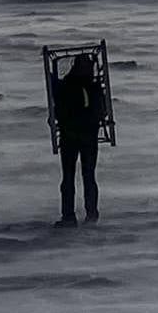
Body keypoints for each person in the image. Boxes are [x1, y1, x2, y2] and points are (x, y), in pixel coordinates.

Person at [53, 54, 103, 226]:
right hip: (84, 137)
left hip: (72, 137)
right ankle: (87, 215)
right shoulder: (93, 87)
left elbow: (59, 110)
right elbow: (100, 112)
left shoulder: (67, 86)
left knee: (73, 177)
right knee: (83, 176)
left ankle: (72, 216)